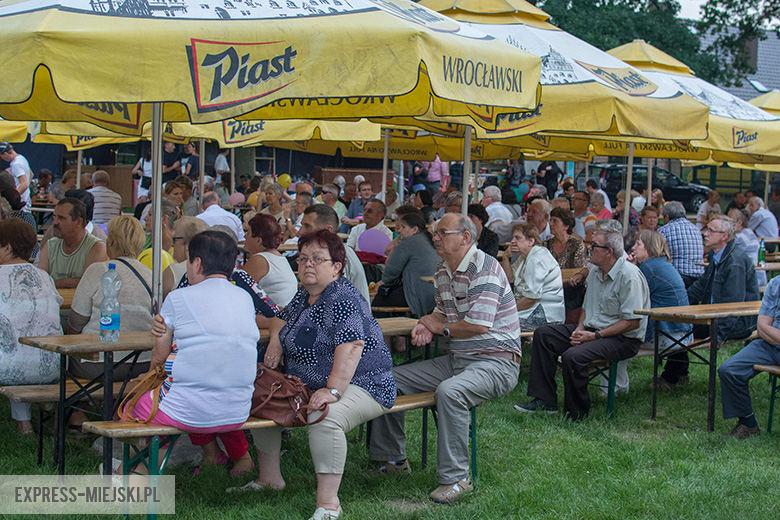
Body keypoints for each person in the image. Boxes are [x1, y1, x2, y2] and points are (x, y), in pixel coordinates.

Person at [236, 230, 395, 520]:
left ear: (337, 267)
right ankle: (269, 479)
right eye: (303, 258)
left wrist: (332, 390)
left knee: (324, 416)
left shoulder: (342, 296)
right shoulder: (305, 295)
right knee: (264, 402)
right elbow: (280, 318)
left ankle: (328, 505)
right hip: (307, 384)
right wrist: (275, 340)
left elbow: (352, 344)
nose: (308, 264)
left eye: (318, 259)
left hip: (365, 383)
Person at [369, 213, 520, 504]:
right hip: (459, 361)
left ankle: (457, 479)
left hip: (497, 363)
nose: (435, 237)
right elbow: (442, 313)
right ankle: (393, 461)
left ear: (465, 237)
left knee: (450, 392)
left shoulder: (485, 267)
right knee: (389, 379)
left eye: (442, 233)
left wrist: (441, 327)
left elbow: (478, 325)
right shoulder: (443, 270)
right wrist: (427, 322)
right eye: (434, 232)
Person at [130, 231, 258, 476]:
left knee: (140, 403)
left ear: (197, 263)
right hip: (238, 409)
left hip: (190, 409)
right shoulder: (244, 298)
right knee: (190, 386)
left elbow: (159, 356)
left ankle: (142, 471)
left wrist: (146, 378)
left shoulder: (179, 297)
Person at [517, 229, 650, 420]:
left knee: (574, 356)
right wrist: (580, 329)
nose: (589, 248)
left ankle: (577, 413)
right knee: (544, 334)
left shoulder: (629, 276)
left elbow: (631, 322)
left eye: (594, 245)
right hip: (593, 329)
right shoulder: (596, 271)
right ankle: (545, 400)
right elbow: (587, 307)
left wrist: (595, 336)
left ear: (609, 252)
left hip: (622, 338)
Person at [674, 215, 759, 387]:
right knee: (677, 325)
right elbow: (700, 286)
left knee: (679, 330)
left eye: (710, 230)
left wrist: (719, 336)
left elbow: (732, 305)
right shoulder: (719, 256)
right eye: (706, 229)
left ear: (724, 236)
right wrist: (678, 306)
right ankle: (678, 374)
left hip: (736, 324)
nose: (705, 233)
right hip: (716, 318)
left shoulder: (734, 261)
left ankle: (673, 376)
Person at [67, 216, 153, 381]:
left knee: (63, 360)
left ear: (111, 242)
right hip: (143, 362)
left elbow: (76, 322)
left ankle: (77, 406)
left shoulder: (99, 270)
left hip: (100, 363)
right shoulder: (151, 275)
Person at [0, 218, 62, 434]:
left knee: (11, 347)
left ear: (7, 247)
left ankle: (24, 423)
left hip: (7, 368)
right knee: (18, 344)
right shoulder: (44, 277)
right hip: (50, 366)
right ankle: (23, 423)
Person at [718, 272, 780, 439]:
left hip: (773, 338)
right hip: (769, 344)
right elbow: (762, 326)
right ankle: (748, 423)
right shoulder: (775, 283)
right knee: (729, 370)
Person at [630, 230, 692, 390]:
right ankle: (678, 373)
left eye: (638, 244)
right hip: (683, 332)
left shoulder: (649, 269)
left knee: (619, 329)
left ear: (649, 247)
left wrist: (630, 268)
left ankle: (669, 379)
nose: (633, 247)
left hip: (667, 334)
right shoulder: (661, 264)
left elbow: (629, 297)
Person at [373, 212, 440, 317]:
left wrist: (383, 282)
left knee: (380, 298)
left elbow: (392, 269)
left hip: (418, 294)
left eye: (403, 227)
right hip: (433, 294)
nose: (400, 231)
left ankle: (380, 331)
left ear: (415, 229)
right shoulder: (426, 239)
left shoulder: (409, 241)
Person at [300, 204, 369, 302]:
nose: (300, 231)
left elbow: (333, 302)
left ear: (328, 230)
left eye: (307, 226)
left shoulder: (337, 256)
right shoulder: (332, 252)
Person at [501, 223, 563, 330]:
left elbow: (531, 298)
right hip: (531, 310)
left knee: (499, 323)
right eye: (513, 237)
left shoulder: (537, 259)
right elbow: (510, 279)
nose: (512, 241)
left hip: (545, 314)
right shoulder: (525, 257)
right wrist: (506, 257)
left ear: (531, 241)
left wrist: (508, 311)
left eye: (518, 238)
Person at [38, 198, 109, 288]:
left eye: (61, 218)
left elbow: (89, 283)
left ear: (78, 222)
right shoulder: (50, 245)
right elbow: (40, 281)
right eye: (54, 217)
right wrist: (69, 282)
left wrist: (56, 283)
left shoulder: (97, 247)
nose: (54, 222)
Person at [243, 213, 298, 307]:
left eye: (248, 233)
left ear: (258, 240)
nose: (245, 237)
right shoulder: (279, 257)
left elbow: (239, 289)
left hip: (277, 317)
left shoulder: (259, 260)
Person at [545, 207, 587, 314]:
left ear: (566, 226)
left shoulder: (577, 245)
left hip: (570, 291)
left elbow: (578, 271)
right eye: (551, 220)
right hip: (549, 289)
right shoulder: (545, 245)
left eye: (555, 221)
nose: (551, 224)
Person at [658, 201, 704, 288]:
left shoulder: (664, 230)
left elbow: (656, 255)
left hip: (678, 277)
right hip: (699, 277)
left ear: (667, 216)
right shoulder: (695, 229)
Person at [162, 216, 209, 299]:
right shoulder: (214, 268)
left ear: (188, 243)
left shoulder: (172, 271)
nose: (172, 245)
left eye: (175, 240)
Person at [729, 208, 767, 287]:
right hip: (761, 276)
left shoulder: (739, 238)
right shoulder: (750, 232)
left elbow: (728, 257)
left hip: (751, 279)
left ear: (739, 223)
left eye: (730, 222)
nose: (727, 225)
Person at [0, 142, 31, 209]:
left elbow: (24, 184)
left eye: (1, 156)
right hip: (26, 199)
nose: (2, 158)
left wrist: (13, 198)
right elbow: (31, 174)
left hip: (19, 201)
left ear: (5, 153)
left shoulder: (16, 164)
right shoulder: (22, 158)